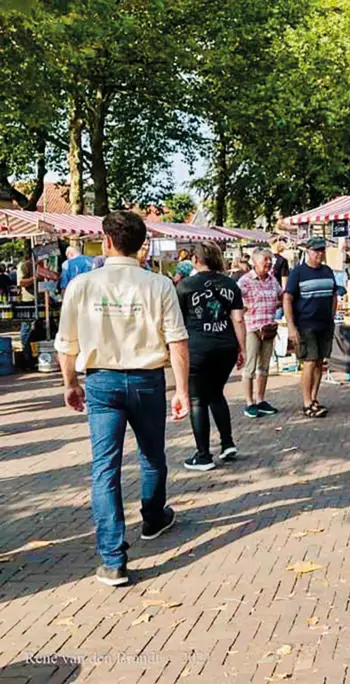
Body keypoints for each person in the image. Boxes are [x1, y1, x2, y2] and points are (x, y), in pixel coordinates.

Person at [54, 211, 189, 587]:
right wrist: (181, 389)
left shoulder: (82, 285)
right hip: (147, 379)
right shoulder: (159, 285)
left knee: (105, 468)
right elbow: (177, 340)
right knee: (152, 454)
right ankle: (152, 516)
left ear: (107, 241)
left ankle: (113, 559)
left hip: (102, 381)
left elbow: (67, 343)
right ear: (142, 243)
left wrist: (70, 382)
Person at [177, 242, 246, 471]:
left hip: (197, 347)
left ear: (196, 260)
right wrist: (242, 348)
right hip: (225, 346)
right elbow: (238, 319)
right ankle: (227, 443)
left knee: (197, 399)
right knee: (216, 393)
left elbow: (177, 322)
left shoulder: (185, 286)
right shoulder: (231, 284)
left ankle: (203, 455)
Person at [284, 237, 339, 418]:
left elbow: (333, 295)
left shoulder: (328, 271)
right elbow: (287, 299)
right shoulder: (298, 272)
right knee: (309, 361)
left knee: (319, 362)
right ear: (307, 251)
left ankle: (314, 398)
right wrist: (291, 326)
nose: (319, 254)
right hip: (306, 324)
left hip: (324, 324)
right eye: (316, 251)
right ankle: (306, 401)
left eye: (322, 251)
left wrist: (331, 316)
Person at [238, 249, 283, 418]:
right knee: (249, 367)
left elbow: (281, 297)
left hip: (269, 328)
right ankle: (249, 403)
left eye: (270, 260)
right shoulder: (245, 280)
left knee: (264, 367)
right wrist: (243, 311)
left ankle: (260, 399)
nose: (269, 263)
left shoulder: (272, 280)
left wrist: (275, 306)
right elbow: (235, 300)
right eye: (266, 260)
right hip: (252, 329)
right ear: (255, 262)